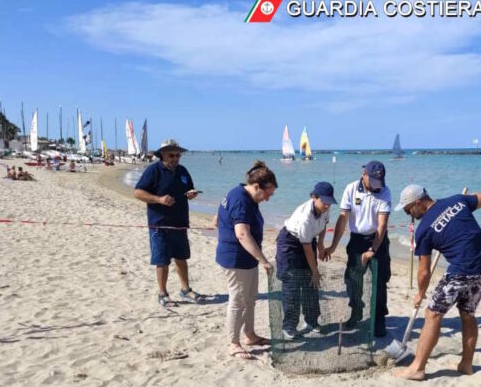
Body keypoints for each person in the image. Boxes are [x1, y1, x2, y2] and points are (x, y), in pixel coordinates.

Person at [392, 185, 481, 381]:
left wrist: (420, 294)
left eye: (408, 211)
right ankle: (466, 365)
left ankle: (417, 368)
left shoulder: (423, 230)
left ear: (418, 203)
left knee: (432, 313)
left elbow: (424, 271)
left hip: (463, 270)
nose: (410, 217)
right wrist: (462, 206)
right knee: (467, 313)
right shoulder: (457, 200)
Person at [215, 160, 277, 359]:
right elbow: (242, 234)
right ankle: (234, 343)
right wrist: (264, 260)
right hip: (236, 259)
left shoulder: (245, 195)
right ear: (257, 186)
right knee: (238, 300)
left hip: (247, 258)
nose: (268, 199)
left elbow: (216, 219)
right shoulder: (240, 198)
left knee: (250, 298)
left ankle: (249, 334)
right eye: (267, 194)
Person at [133, 139, 204, 308]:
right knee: (162, 260)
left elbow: (187, 191)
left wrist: (191, 194)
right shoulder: (153, 170)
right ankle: (163, 293)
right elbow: (137, 192)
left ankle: (186, 290)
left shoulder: (183, 171)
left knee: (181, 258)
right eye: (171, 155)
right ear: (162, 155)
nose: (175, 158)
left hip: (180, 222)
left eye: (178, 155)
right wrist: (159, 199)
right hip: (160, 224)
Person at [324, 161, 391, 337]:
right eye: (374, 181)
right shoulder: (351, 189)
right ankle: (356, 311)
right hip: (357, 240)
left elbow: (382, 225)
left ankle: (379, 319)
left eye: (380, 181)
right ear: (364, 174)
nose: (377, 186)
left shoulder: (385, 191)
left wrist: (373, 250)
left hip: (378, 239)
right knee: (352, 280)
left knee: (379, 282)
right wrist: (332, 246)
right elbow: (343, 219)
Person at [275, 182, 336, 339]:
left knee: (311, 284)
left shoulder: (325, 209)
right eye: (324, 201)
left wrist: (321, 246)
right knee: (292, 285)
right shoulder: (304, 217)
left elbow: (324, 226)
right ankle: (289, 327)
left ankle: (311, 321)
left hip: (309, 240)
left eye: (330, 202)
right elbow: (307, 249)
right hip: (290, 243)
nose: (327, 205)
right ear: (314, 197)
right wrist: (315, 271)